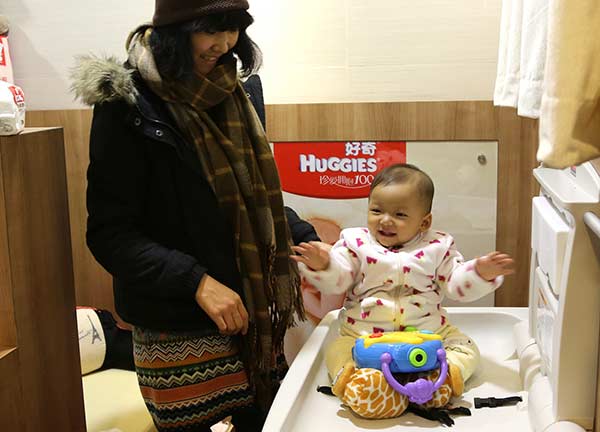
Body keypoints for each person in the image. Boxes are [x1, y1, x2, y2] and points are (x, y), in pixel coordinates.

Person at [72, 1, 311, 430]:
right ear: (174, 30)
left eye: (233, 29)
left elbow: (248, 194)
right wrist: (196, 281)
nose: (223, 44)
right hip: (175, 324)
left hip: (251, 316)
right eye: (209, 30)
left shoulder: (237, 90)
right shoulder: (126, 102)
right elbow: (110, 234)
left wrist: (300, 233)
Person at [291, 163, 515, 418]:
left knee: (467, 348)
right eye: (376, 210)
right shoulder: (355, 243)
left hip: (428, 334)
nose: (385, 220)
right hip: (364, 335)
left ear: (424, 222)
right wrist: (325, 265)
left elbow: (455, 283)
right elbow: (340, 279)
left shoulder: (437, 246)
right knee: (337, 349)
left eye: (399, 215)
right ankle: (358, 383)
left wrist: (479, 272)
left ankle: (444, 379)